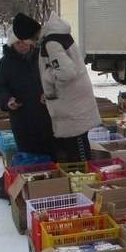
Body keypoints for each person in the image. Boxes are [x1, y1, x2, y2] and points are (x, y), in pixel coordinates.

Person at [38, 11, 101, 163]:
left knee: (77, 147)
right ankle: (84, 179)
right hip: (77, 98)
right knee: (80, 143)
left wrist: (47, 77)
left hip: (71, 102)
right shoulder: (62, 36)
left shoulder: (51, 43)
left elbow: (66, 72)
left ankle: (84, 180)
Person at [0, 13, 56, 158]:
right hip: (22, 119)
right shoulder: (4, 64)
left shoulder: (42, 57)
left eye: (24, 41)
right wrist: (7, 100)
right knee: (29, 156)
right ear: (12, 44)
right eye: (18, 42)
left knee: (52, 155)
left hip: (47, 115)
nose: (22, 45)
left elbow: (56, 78)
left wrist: (50, 93)